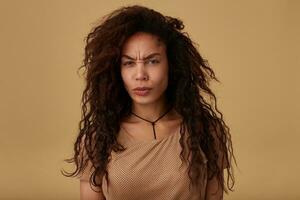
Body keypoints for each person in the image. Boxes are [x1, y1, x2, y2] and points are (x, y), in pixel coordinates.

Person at [61, 4, 236, 200]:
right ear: (117, 71)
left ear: (172, 64)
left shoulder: (204, 131)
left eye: (152, 61)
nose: (140, 75)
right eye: (128, 63)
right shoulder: (99, 138)